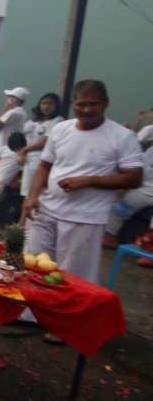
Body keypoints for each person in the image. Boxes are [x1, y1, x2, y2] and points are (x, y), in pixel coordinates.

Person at [22, 79, 143, 284]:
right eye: (81, 104)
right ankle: (28, 316)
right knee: (33, 265)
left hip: (85, 218)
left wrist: (89, 180)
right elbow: (45, 165)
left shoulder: (122, 137)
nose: (86, 110)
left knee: (71, 277)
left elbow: (134, 177)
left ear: (106, 103)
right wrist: (32, 196)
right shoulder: (61, 129)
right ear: (72, 104)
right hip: (46, 210)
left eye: (93, 104)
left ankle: (65, 316)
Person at [18, 93, 63, 199]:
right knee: (26, 193)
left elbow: (44, 143)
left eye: (50, 103)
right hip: (29, 159)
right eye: (43, 103)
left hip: (40, 161)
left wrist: (24, 150)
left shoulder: (58, 121)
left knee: (35, 192)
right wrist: (23, 153)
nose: (46, 106)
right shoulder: (39, 121)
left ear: (56, 106)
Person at [0, 131, 26, 213]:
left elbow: (22, 162)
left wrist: (23, 152)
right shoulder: (4, 149)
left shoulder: (23, 155)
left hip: (0, 181)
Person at [0, 86, 29, 156]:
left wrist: (5, 109)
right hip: (11, 149)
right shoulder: (22, 113)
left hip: (2, 147)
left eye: (10, 97)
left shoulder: (12, 113)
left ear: (15, 99)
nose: (8, 99)